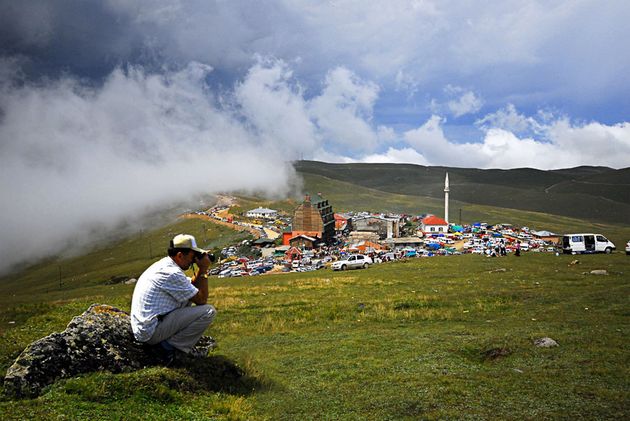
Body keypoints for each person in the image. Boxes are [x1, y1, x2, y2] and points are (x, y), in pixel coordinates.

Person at [131, 234, 216, 365]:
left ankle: (169, 344)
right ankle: (168, 348)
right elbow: (201, 300)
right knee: (208, 311)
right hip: (151, 332)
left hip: (146, 326)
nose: (193, 260)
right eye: (193, 255)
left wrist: (199, 269)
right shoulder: (172, 273)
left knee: (187, 298)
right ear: (180, 255)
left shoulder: (164, 265)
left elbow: (191, 288)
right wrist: (203, 269)